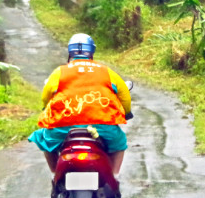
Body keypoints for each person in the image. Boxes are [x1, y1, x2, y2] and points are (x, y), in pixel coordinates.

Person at [28, 33, 132, 181]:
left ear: (70, 52)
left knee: (44, 139)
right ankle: (114, 176)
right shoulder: (107, 72)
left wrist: (46, 109)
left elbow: (46, 97)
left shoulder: (59, 72)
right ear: (92, 52)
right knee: (119, 143)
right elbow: (124, 95)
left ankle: (55, 173)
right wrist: (127, 112)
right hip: (102, 126)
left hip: (63, 126)